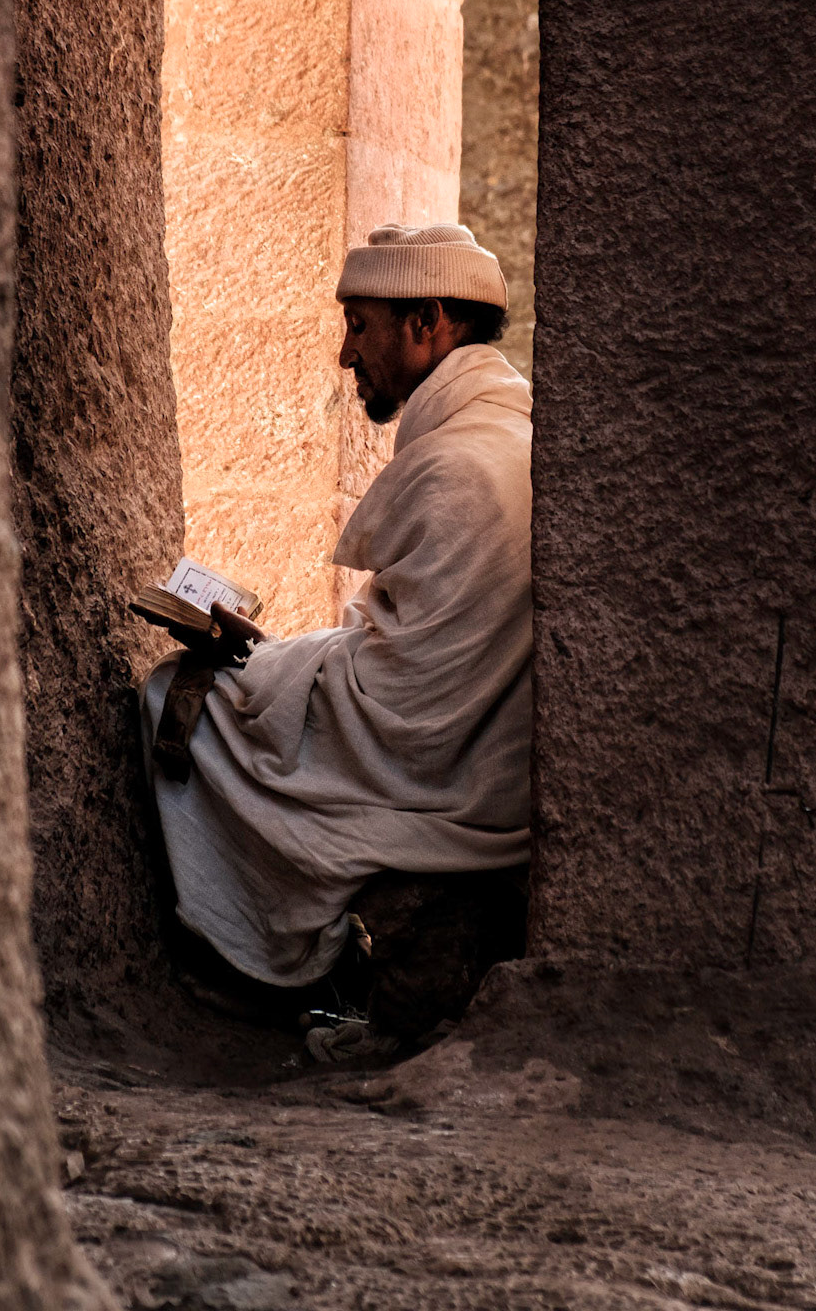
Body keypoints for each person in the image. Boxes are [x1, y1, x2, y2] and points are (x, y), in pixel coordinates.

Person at [140, 222, 533, 1020]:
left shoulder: (454, 463)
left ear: (425, 324)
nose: (345, 355)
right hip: (484, 754)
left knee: (172, 700)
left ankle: (266, 964)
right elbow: (411, 640)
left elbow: (408, 705)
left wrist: (255, 666)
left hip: (448, 776)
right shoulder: (503, 430)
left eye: (360, 326)